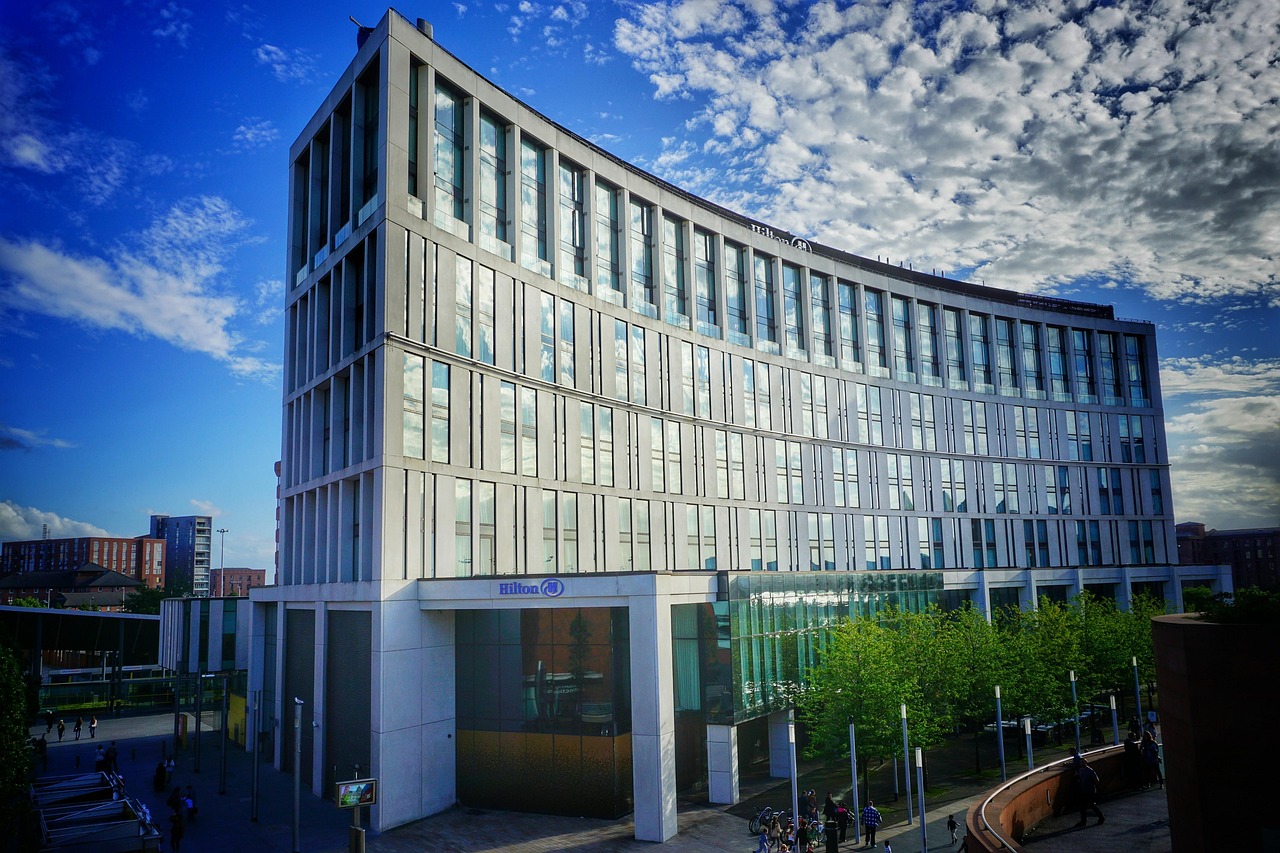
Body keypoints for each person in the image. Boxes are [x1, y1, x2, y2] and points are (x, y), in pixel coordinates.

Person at [1074, 757, 1105, 827]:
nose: (1081, 764)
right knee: (1083, 806)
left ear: (1086, 763)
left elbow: (1097, 780)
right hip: (1083, 790)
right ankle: (1083, 821)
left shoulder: (1090, 771)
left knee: (1091, 805)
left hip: (1090, 791)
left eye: (1083, 762)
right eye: (1081, 762)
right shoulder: (1080, 770)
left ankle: (1101, 817)